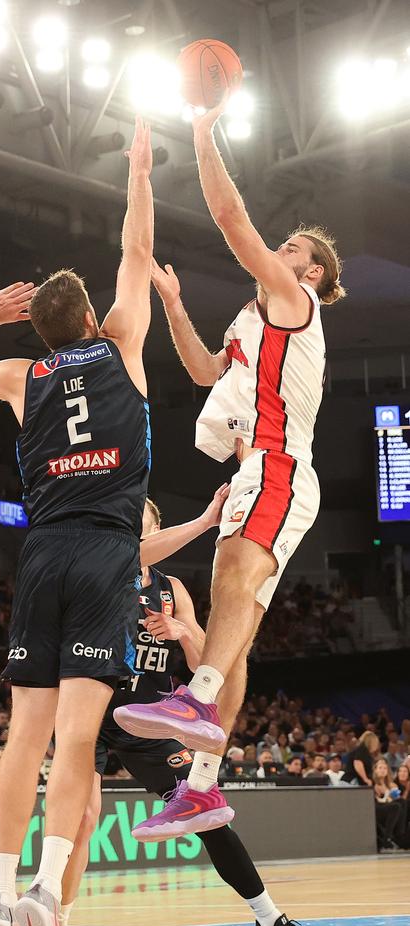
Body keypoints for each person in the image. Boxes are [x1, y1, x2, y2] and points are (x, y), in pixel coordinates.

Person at [0, 118, 155, 926]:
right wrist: (137, 169)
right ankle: (49, 898)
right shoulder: (125, 344)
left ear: (40, 331)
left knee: (23, 734)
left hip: (41, 554)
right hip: (102, 554)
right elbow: (137, 244)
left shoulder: (22, 377)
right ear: (92, 319)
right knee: (77, 739)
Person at [114, 94, 345, 835]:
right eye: (285, 250)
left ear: (312, 275)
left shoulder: (292, 302)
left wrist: (202, 134)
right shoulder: (251, 321)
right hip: (263, 472)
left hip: (276, 464)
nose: (280, 253)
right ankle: (205, 785)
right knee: (232, 623)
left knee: (228, 586)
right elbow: (203, 371)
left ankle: (196, 698)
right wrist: (176, 306)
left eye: (293, 251)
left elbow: (231, 220)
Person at [58, 498, 327, 926]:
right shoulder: (106, 563)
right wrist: (206, 521)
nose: (126, 519)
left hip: (150, 719)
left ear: (158, 525)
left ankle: (269, 921)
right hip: (93, 712)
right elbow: (134, 551)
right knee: (83, 816)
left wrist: (183, 628)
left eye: (137, 514)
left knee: (208, 812)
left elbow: (210, 660)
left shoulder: (172, 588)